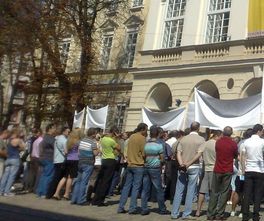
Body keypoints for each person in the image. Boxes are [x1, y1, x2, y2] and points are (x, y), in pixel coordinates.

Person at [171, 122, 205, 219]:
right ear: (198, 128)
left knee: (179, 190)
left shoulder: (183, 139)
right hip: (193, 166)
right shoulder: (201, 139)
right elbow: (199, 154)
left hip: (183, 166)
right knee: (190, 190)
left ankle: (174, 213)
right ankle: (186, 213)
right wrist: (189, 163)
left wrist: (182, 164)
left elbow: (178, 152)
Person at [207, 126, 238, 220]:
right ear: (231, 133)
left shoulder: (218, 142)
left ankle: (211, 214)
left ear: (223, 133)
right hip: (228, 169)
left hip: (218, 169)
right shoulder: (233, 144)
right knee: (224, 193)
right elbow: (235, 155)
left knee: (214, 192)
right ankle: (220, 214)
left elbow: (217, 151)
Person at [117, 123, 148, 214]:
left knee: (126, 187)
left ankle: (121, 207)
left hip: (129, 165)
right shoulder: (142, 138)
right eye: (146, 129)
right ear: (142, 129)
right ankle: (132, 208)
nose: (146, 131)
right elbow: (144, 153)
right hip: (138, 165)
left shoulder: (132, 137)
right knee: (136, 188)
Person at [141, 125, 168, 215]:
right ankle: (162, 209)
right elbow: (162, 159)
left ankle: (144, 208)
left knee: (145, 189)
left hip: (146, 167)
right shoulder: (159, 145)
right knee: (159, 189)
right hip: (155, 168)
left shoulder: (146, 144)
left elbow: (144, 156)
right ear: (157, 134)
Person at [195, 130, 222, 217]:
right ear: (217, 136)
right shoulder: (217, 144)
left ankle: (198, 211)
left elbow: (199, 153)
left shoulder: (205, 143)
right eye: (221, 136)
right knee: (213, 191)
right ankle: (211, 210)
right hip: (214, 169)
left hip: (205, 168)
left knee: (202, 191)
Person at [92, 126, 121, 206]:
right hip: (110, 160)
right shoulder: (112, 141)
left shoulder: (103, 139)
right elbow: (119, 148)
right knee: (106, 181)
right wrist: (117, 138)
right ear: (114, 133)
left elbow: (100, 138)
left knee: (101, 181)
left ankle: (95, 199)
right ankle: (100, 200)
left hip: (104, 160)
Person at [241, 124, 264, 221]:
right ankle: (255, 214)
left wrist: (243, 169)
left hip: (248, 169)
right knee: (258, 193)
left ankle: (245, 215)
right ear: (258, 131)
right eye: (262, 130)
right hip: (260, 170)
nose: (263, 132)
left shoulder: (246, 142)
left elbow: (242, 156)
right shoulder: (262, 142)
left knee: (247, 193)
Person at [71, 128, 98, 205]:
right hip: (88, 163)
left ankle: (74, 199)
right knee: (84, 182)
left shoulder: (81, 140)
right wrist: (98, 150)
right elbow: (95, 153)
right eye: (95, 133)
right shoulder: (93, 143)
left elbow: (77, 148)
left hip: (80, 162)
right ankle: (81, 200)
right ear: (93, 134)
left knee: (78, 181)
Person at [53, 128, 81, 200]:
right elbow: (78, 152)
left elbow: (65, 151)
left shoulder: (68, 141)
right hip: (74, 160)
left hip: (68, 159)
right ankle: (66, 194)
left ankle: (56, 193)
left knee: (64, 177)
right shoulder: (78, 142)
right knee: (70, 178)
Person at [0, 129, 25, 196]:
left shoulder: (8, 140)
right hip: (15, 159)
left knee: (5, 176)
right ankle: (7, 192)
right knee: (12, 176)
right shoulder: (18, 140)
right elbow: (23, 148)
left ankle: (1, 190)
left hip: (8, 159)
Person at [48, 127, 70, 199]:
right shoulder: (64, 140)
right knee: (58, 178)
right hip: (61, 160)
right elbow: (66, 151)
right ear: (63, 132)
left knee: (56, 177)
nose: (68, 133)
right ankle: (52, 193)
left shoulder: (57, 138)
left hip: (56, 159)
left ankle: (52, 193)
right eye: (68, 132)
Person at [36, 123, 56, 198]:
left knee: (44, 175)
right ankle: (44, 192)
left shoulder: (45, 137)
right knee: (48, 176)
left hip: (44, 158)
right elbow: (55, 146)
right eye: (54, 128)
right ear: (50, 129)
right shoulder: (50, 138)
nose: (55, 130)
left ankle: (40, 191)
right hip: (49, 158)